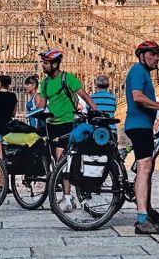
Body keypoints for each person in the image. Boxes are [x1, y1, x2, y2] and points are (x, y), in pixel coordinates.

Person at [37, 48, 98, 213]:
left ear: (55, 64)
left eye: (46, 63)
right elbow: (41, 105)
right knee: (58, 161)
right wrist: (37, 111)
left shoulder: (67, 78)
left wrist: (96, 110)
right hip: (51, 125)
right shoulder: (45, 83)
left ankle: (67, 197)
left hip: (67, 123)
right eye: (43, 62)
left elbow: (84, 95)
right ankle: (67, 195)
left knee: (61, 159)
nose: (43, 66)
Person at [124, 40, 159, 235]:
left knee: (147, 168)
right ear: (142, 56)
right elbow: (137, 97)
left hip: (143, 126)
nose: (156, 58)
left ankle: (148, 209)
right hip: (138, 126)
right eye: (152, 54)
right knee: (144, 167)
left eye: (157, 54)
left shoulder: (144, 73)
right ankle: (142, 219)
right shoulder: (137, 70)